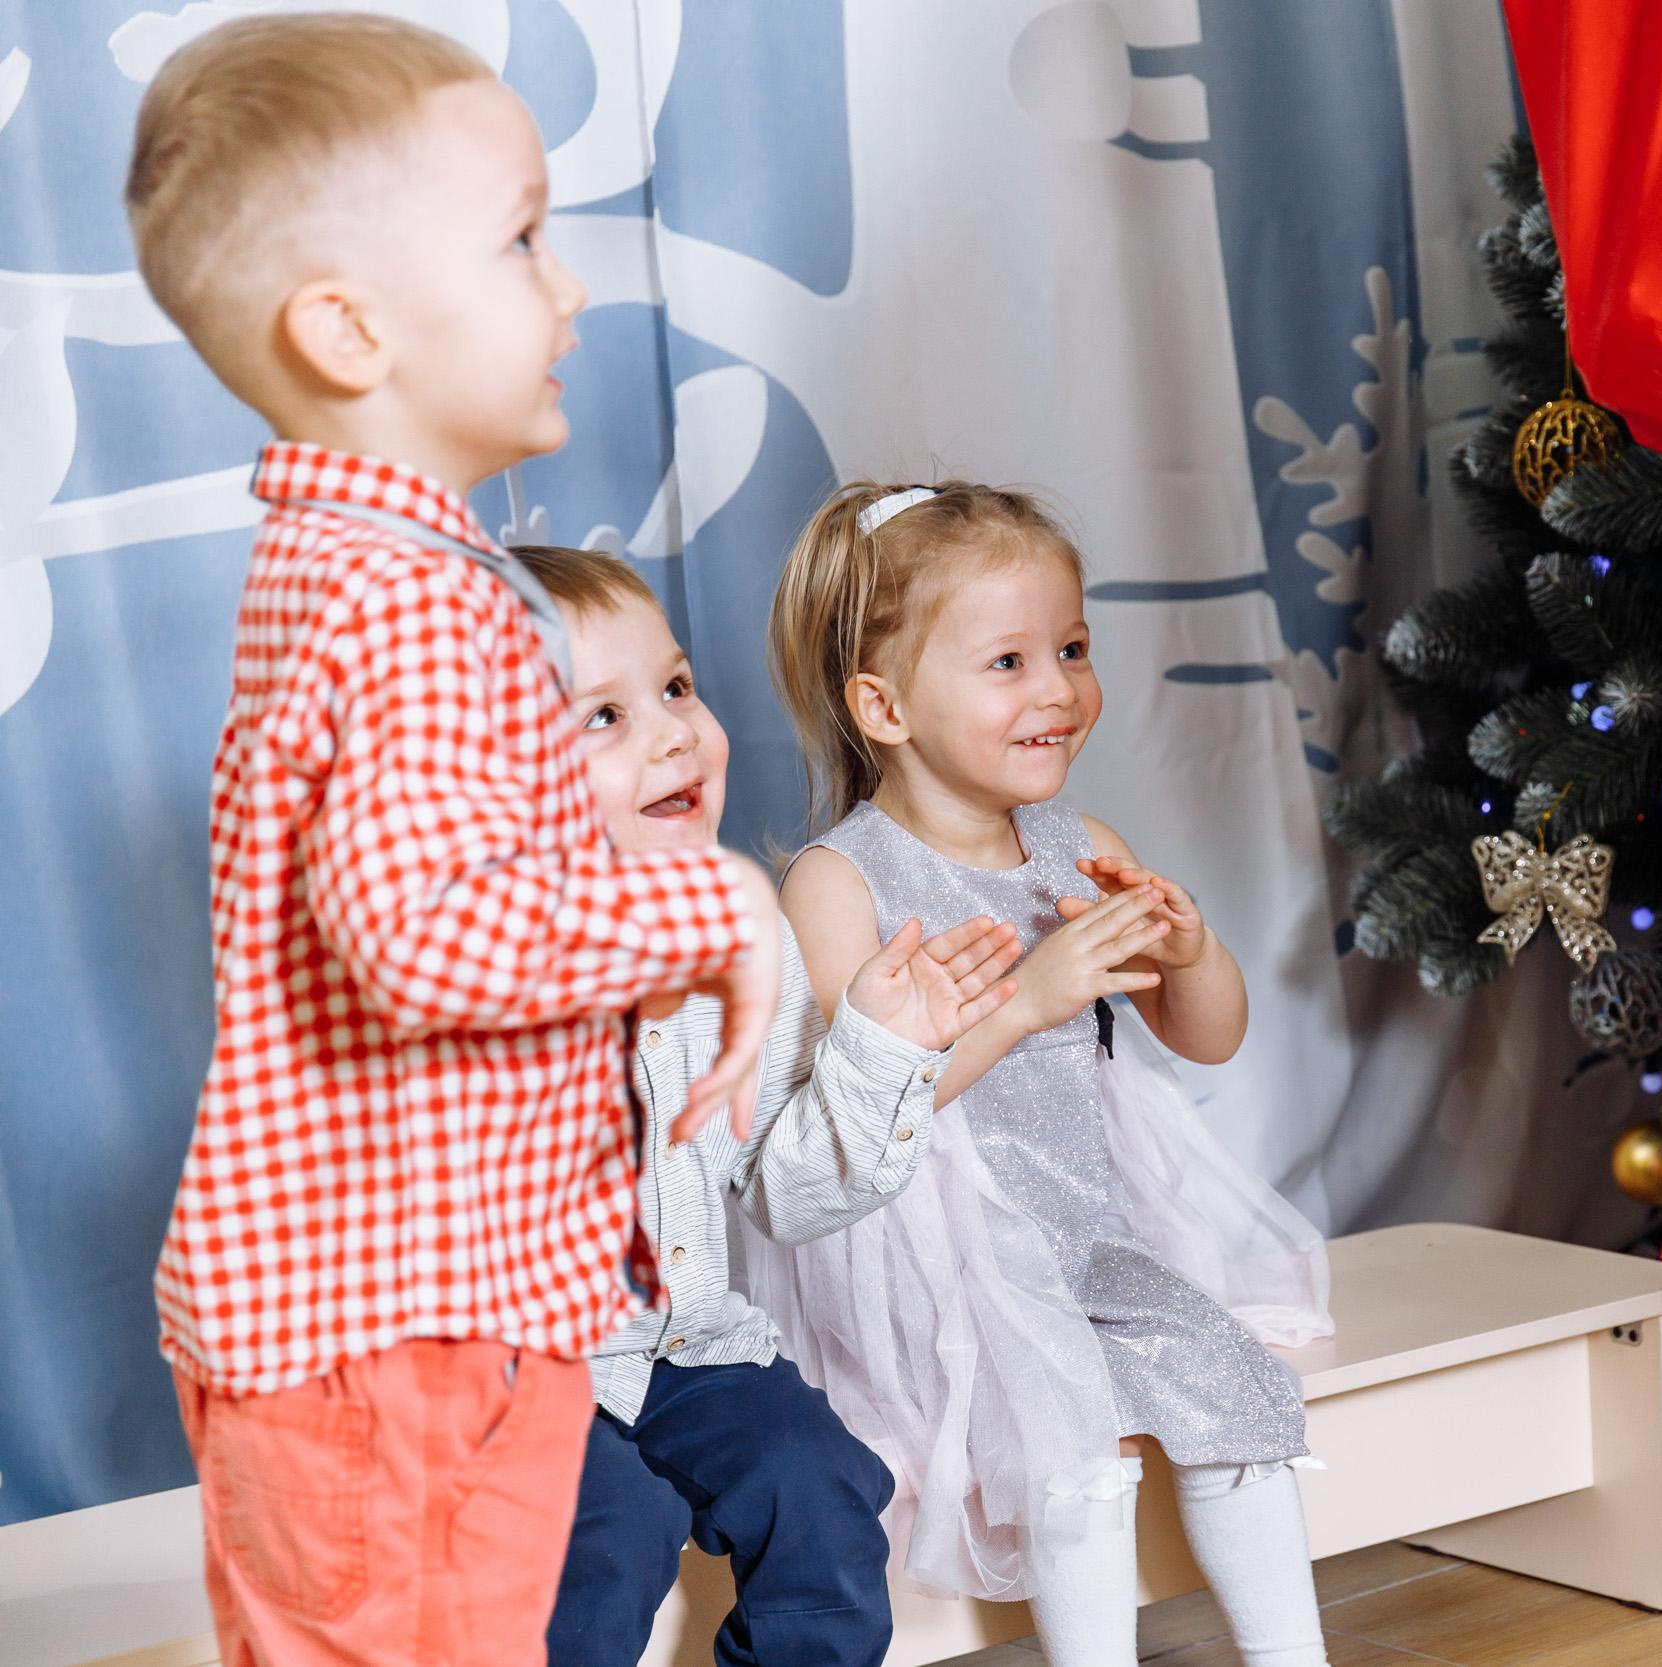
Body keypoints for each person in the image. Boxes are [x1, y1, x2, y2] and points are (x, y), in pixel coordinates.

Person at [129, 19, 776, 1663]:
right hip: (402, 1338)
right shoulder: (419, 601)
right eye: (521, 240)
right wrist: (708, 905)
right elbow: (418, 933)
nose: (569, 287)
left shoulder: (346, 567)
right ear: (347, 329)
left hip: (399, 1319)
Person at [746, 480, 1333, 1667]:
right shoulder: (838, 881)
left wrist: (1191, 952)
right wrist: (1027, 998)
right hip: (925, 1255)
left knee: (1234, 1387)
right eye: (1008, 662)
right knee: (1067, 1435)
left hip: (1087, 1222)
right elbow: (852, 1123)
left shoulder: (1083, 847)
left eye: (1071, 647)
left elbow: (1208, 1036)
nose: (1059, 689)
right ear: (883, 705)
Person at [508, 544, 1019, 1667]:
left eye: (676, 687)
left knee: (822, 1485)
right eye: (603, 716)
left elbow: (786, 1188)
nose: (674, 733)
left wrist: (879, 1049)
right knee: (606, 1532)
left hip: (688, 1343)